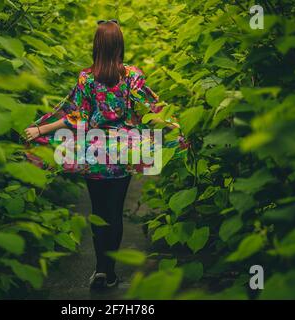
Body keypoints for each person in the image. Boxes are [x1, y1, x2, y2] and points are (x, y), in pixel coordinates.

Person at [24, 19, 181, 290]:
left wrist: (42, 128)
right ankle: (109, 273)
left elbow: (77, 115)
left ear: (97, 46)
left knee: (98, 213)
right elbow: (149, 110)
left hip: (93, 151)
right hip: (124, 150)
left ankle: (98, 270)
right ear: (120, 45)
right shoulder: (132, 75)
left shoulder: (87, 77)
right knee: (115, 213)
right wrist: (177, 128)